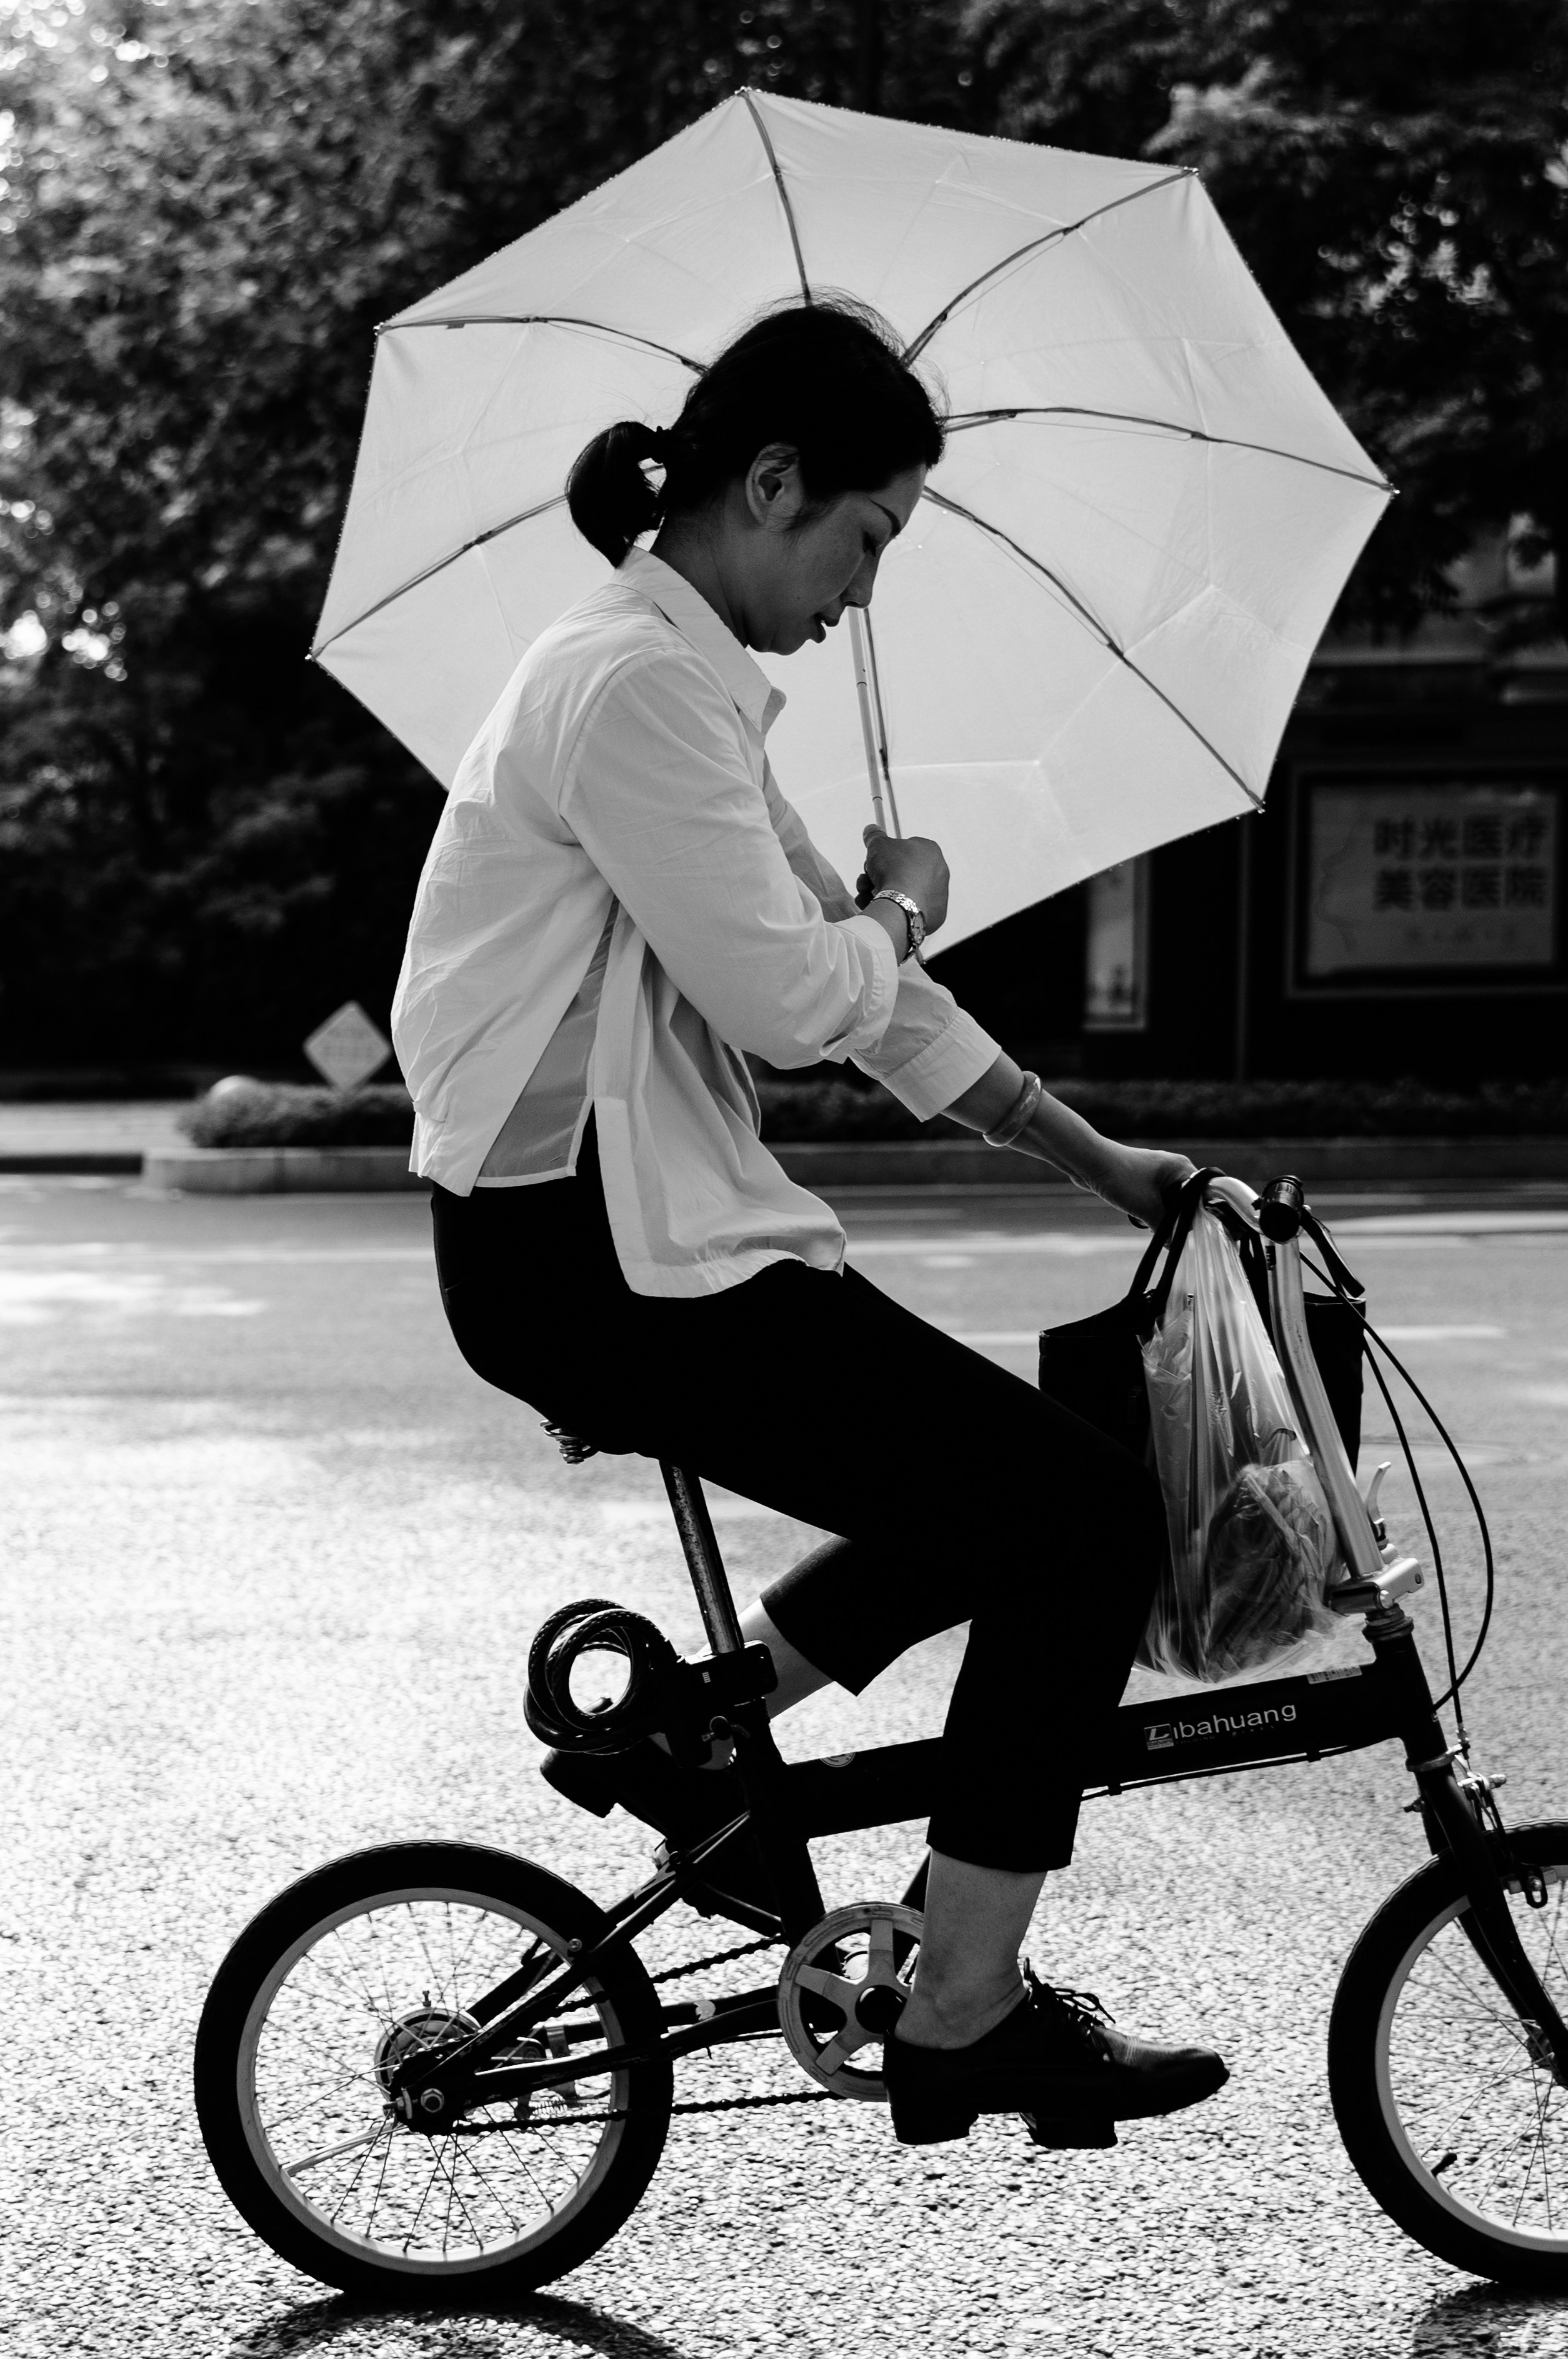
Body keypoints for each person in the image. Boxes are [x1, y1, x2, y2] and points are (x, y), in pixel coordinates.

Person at [396, 301, 1226, 2151]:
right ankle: (960, 2005)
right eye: (866, 538)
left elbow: (851, 993)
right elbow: (800, 996)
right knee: (1080, 1520)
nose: (862, 591)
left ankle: (706, 1723)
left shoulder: (670, 686)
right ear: (768, 484)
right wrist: (899, 908)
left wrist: (1102, 1160)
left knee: (1033, 1469)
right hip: (593, 1259)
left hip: (629, 1241)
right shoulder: (631, 688)